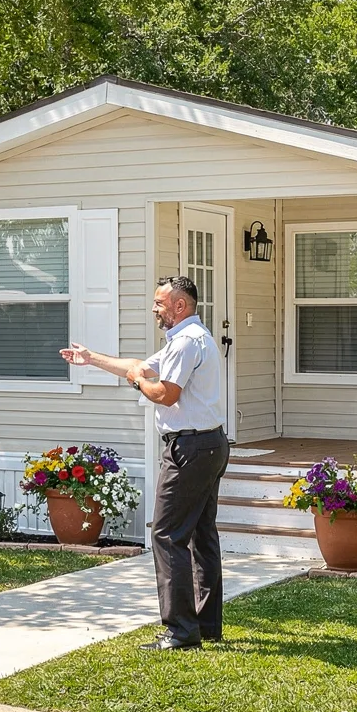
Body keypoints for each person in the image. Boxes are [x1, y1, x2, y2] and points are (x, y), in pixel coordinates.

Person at [61, 276, 228, 650]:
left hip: (190, 449)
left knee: (166, 535)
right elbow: (138, 366)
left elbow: (164, 394)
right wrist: (91, 359)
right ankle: (206, 624)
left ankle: (181, 631)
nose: (154, 309)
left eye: (160, 303)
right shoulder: (190, 339)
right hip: (210, 444)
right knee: (202, 534)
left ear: (180, 306)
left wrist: (138, 382)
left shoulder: (186, 343)